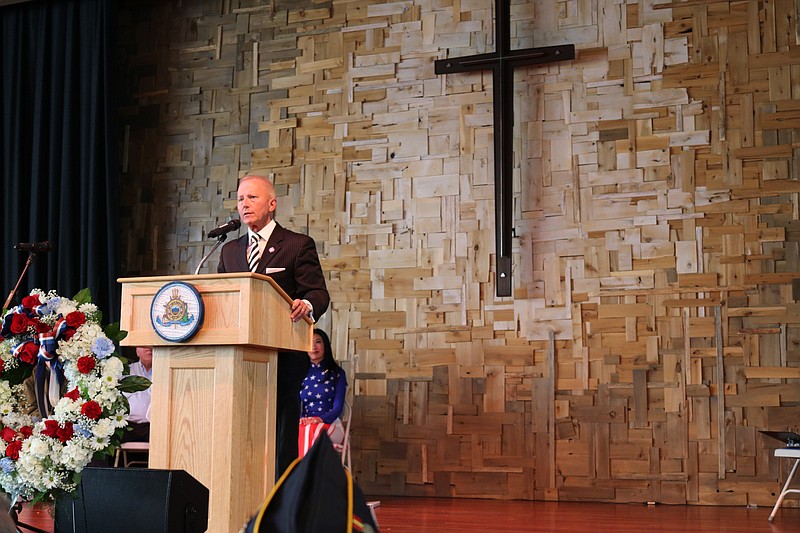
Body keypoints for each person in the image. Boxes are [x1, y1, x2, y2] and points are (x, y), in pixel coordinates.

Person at [218, 174, 330, 476]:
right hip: (237, 357)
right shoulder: (229, 251)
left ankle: (281, 496)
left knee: (280, 433)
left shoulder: (297, 244)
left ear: (272, 203)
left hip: (282, 356)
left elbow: (318, 293)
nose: (244, 205)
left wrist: (305, 305)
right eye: (240, 199)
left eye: (252, 198)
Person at [298, 330, 347, 457]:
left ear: (325, 345)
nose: (314, 347)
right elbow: (297, 404)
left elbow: (338, 408)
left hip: (331, 425)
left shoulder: (337, 373)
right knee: (302, 431)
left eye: (318, 342)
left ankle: (304, 475)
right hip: (306, 425)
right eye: (309, 342)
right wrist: (302, 419)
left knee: (310, 431)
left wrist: (320, 419)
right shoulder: (301, 374)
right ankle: (310, 474)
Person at [123, 346, 152, 442]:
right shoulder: (126, 371)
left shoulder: (165, 371)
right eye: (144, 345)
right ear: (137, 351)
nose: (149, 348)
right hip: (128, 426)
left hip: (154, 426)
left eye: (152, 345)